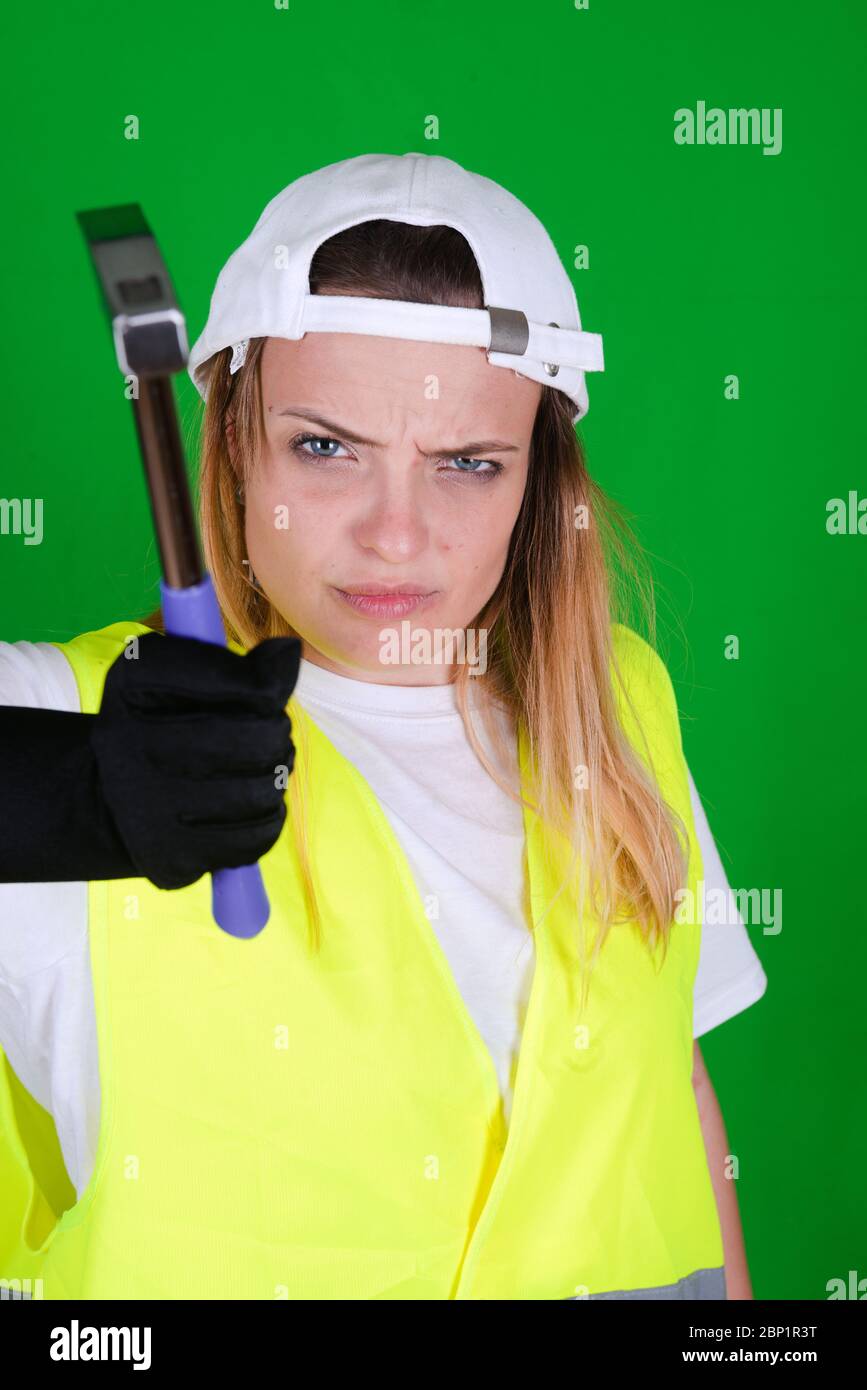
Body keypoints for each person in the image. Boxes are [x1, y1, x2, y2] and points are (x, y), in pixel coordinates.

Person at [0, 152, 767, 1301]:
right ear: (235, 440)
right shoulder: (74, 714)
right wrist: (64, 794)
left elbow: (675, 1094)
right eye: (326, 447)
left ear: (535, 481)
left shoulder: (617, 706)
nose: (395, 538)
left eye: (466, 464)